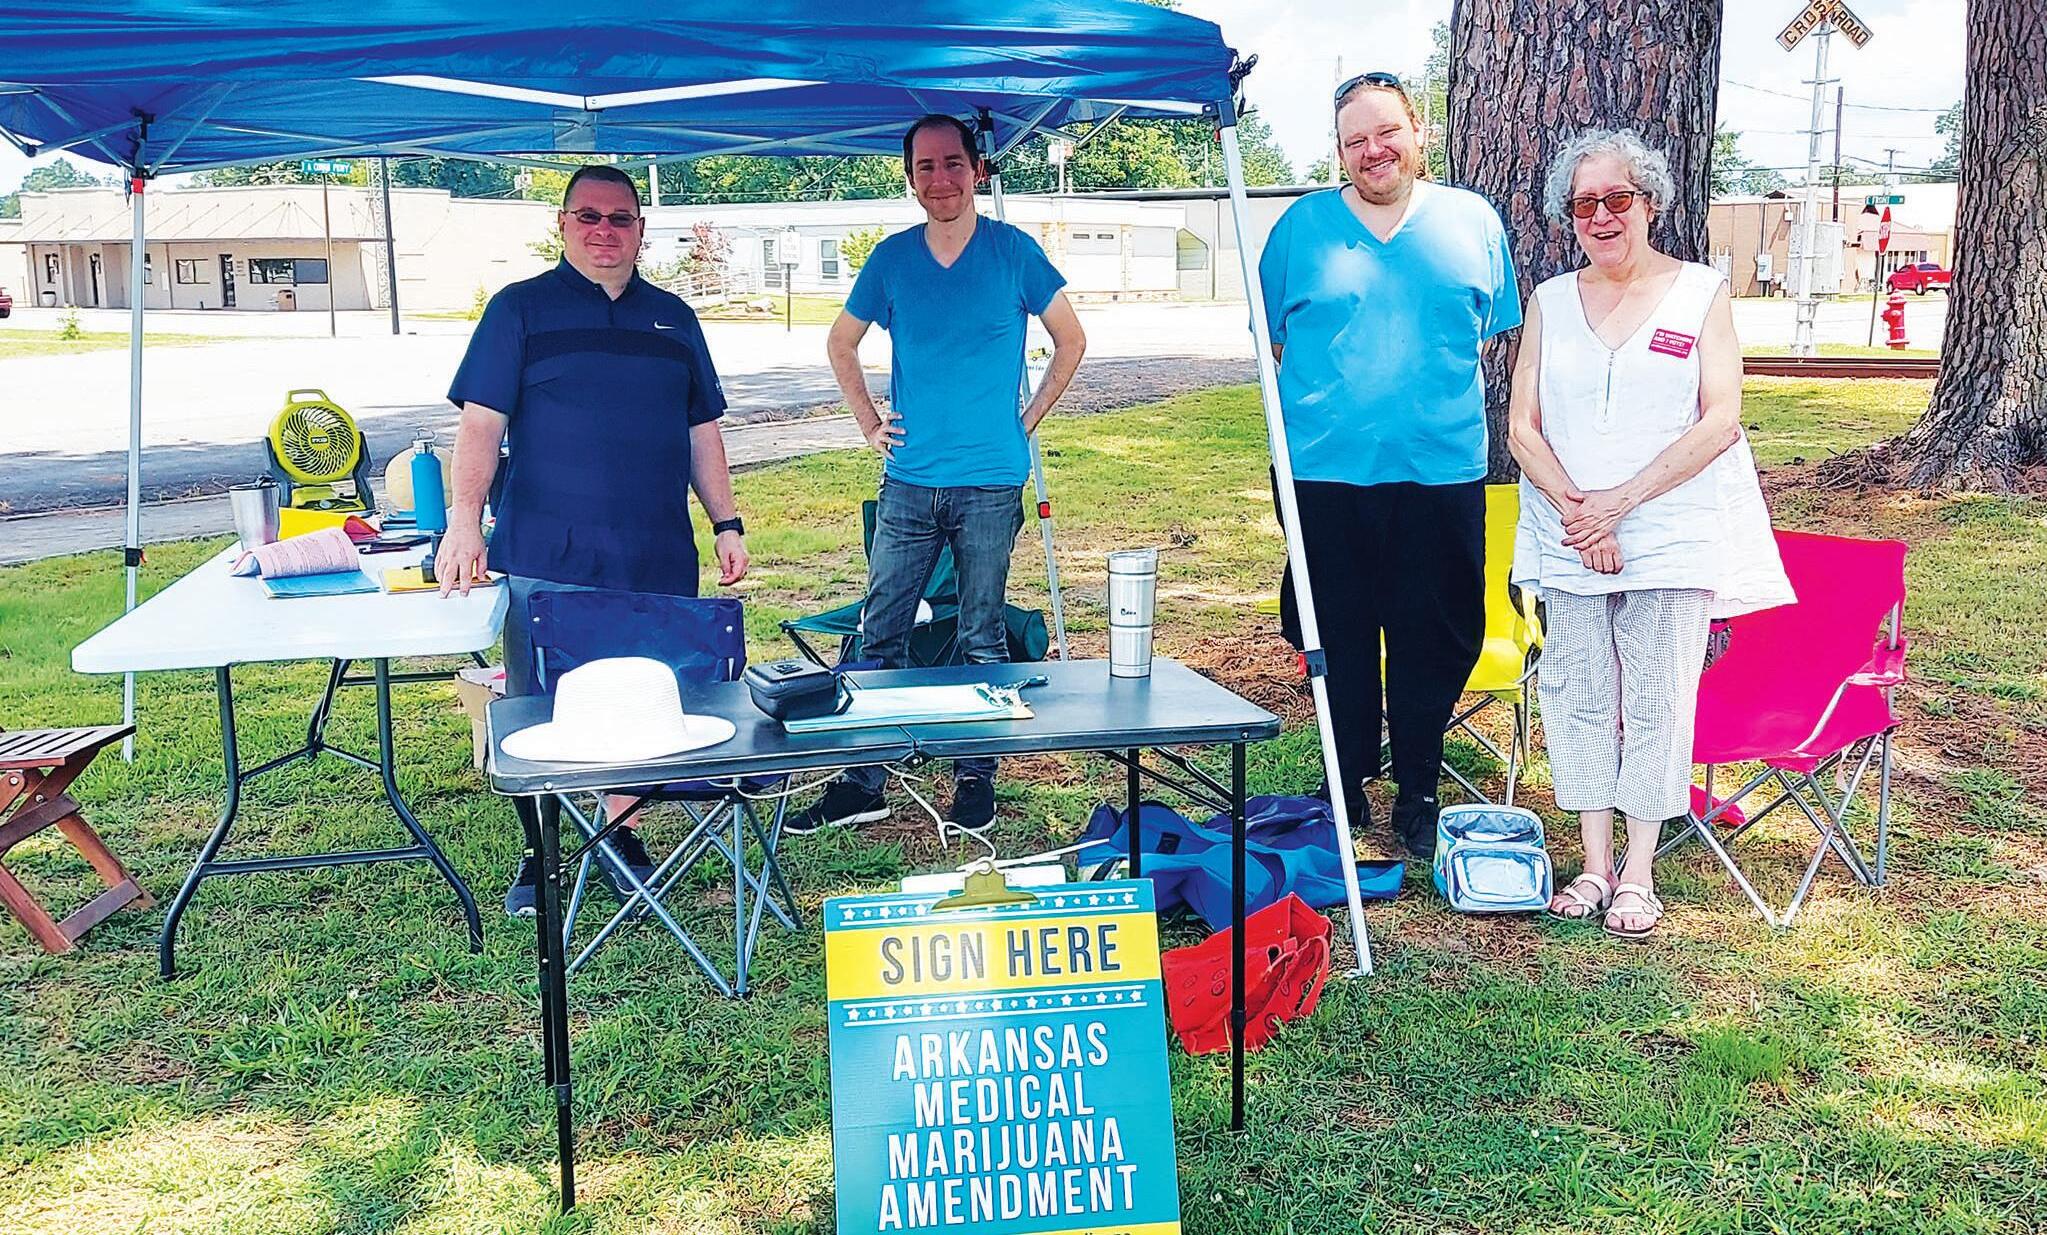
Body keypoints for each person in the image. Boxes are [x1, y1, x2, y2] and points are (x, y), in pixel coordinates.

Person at [437, 163, 751, 916]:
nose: (604, 230)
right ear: (562, 225)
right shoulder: (518, 310)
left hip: (655, 551)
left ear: (641, 229)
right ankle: (542, 852)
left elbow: (701, 431)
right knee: (538, 707)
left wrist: (726, 522)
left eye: (620, 218)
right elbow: (480, 427)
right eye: (588, 216)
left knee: (646, 699)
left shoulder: (674, 318)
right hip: (546, 552)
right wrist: (462, 523)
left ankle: (620, 836)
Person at [1507, 128, 1792, 939]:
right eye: (1583, 204)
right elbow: (1521, 425)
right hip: (1569, 531)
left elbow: (1720, 419)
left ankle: (1638, 871)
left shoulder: (1700, 292)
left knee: (1657, 700)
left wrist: (1619, 503)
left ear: (1649, 203)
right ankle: (1592, 863)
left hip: (1667, 533)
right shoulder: (1548, 300)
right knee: (1576, 695)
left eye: (1616, 198)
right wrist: (1581, 510)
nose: (1600, 217)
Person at [788, 113, 1086, 835]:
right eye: (925, 166)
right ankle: (865, 779)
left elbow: (1071, 341)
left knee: (980, 634)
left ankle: (974, 776)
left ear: (976, 169)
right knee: (880, 630)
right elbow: (841, 343)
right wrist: (869, 423)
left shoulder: (1013, 252)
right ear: (909, 178)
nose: (940, 179)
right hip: (910, 481)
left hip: (990, 482)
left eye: (953, 163)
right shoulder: (891, 260)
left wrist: (1025, 420)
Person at [1259, 72, 1521, 858]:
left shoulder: (1472, 221)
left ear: (1418, 132)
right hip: (1323, 473)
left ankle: (1418, 787)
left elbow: (1484, 330)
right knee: (1333, 630)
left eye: (1386, 133)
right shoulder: (1298, 230)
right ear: (1339, 151)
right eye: (1354, 140)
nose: (1373, 150)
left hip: (1439, 472)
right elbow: (1276, 343)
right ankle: (1343, 780)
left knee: (1431, 632)